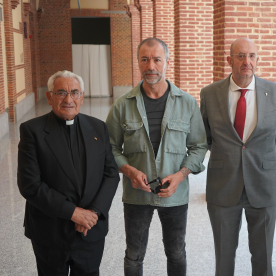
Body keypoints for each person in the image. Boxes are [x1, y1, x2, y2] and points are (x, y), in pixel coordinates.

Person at [106, 37, 207, 276]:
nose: (151, 65)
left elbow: (199, 146)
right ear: (138, 63)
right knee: (134, 255)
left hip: (175, 195)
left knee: (176, 253)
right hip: (136, 195)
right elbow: (109, 147)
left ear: (166, 62)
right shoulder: (122, 106)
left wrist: (181, 175)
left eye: (157, 59)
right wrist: (129, 171)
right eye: (144, 59)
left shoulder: (188, 103)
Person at [17, 70, 120, 275]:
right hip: (50, 232)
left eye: (74, 92)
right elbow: (30, 185)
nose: (68, 99)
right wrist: (74, 213)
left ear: (82, 96)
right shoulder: (32, 131)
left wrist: (94, 213)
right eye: (61, 93)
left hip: (90, 230)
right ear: (49, 97)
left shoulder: (98, 128)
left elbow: (111, 174)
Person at [200, 37, 276, 276]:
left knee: (263, 256)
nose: (246, 61)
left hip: (263, 183)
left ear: (257, 60)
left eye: (251, 56)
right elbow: (206, 137)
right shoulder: (209, 93)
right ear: (230, 60)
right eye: (240, 56)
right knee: (224, 257)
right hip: (223, 183)